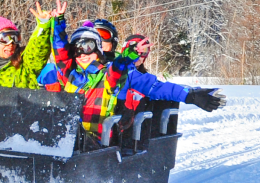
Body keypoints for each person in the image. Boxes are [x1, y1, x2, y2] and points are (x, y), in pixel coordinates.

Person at [46, 17, 225, 143]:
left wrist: (190, 95)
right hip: (70, 134)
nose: (84, 50)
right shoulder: (72, 72)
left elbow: (156, 87)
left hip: (104, 135)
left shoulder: (121, 70)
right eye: (79, 46)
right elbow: (57, 57)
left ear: (109, 43)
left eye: (100, 37)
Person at [0, 0, 66, 88]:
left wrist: (43, 26)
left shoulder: (25, 65)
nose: (11, 44)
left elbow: (38, 51)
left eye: (15, 37)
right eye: (5, 38)